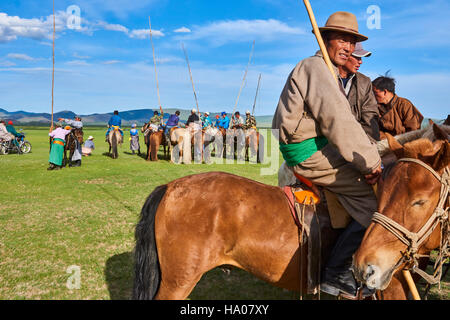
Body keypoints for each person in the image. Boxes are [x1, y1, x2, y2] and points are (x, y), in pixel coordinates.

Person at [272, 11, 381, 298]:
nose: (347, 47)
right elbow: (339, 121)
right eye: (342, 39)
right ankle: (337, 273)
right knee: (376, 203)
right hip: (308, 150)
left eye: (351, 42)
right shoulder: (316, 68)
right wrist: (370, 164)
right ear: (324, 40)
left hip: (319, 145)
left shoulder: (327, 70)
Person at [337, 43, 380, 142]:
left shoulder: (364, 82)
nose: (360, 62)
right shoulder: (325, 75)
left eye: (361, 58)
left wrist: (368, 146)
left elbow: (370, 118)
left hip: (357, 141)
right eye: (357, 57)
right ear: (343, 56)